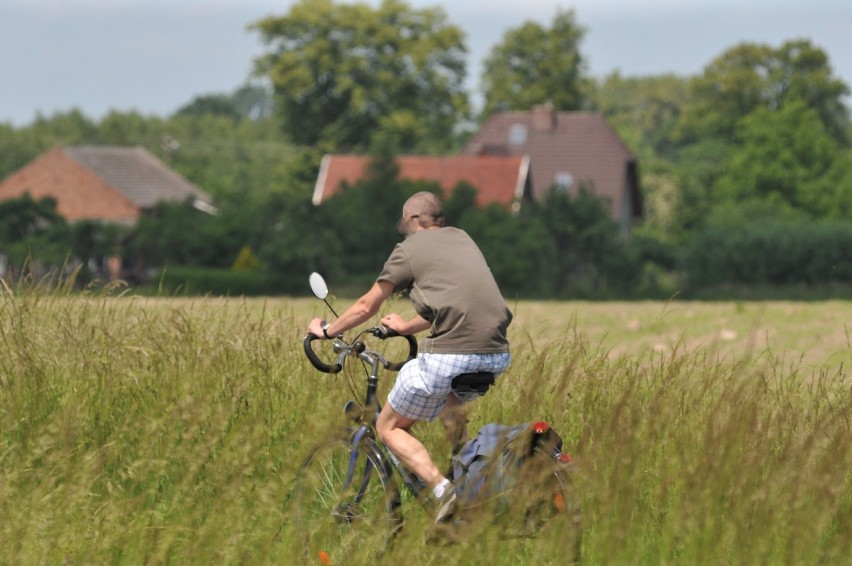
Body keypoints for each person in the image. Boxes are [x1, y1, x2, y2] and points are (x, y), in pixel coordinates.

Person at [307, 191, 512, 522]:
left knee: (387, 426)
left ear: (415, 219)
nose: (402, 229)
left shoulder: (409, 249)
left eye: (404, 222)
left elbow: (366, 306)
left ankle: (446, 494)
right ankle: (469, 480)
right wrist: (405, 326)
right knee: (448, 397)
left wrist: (328, 331)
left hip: (453, 354)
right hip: (496, 354)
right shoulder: (461, 238)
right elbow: (451, 307)